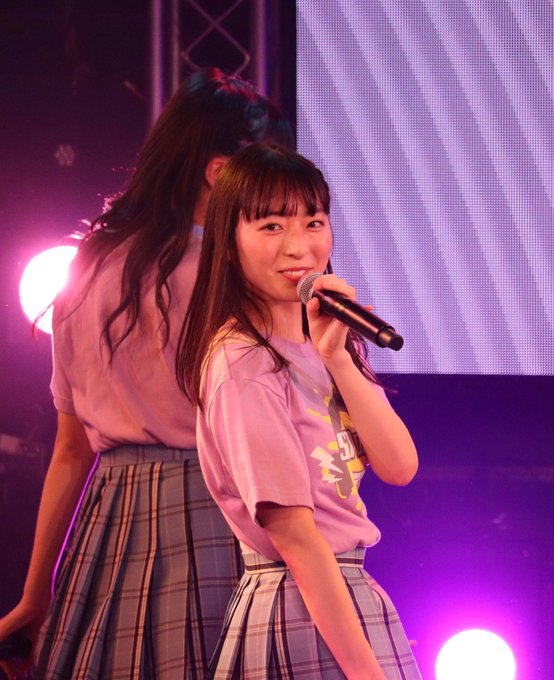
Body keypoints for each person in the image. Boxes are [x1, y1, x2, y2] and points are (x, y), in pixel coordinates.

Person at [0, 69, 293, 679]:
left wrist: (34, 595)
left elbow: (70, 452)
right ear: (219, 171)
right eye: (264, 169)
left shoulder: (85, 269)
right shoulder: (235, 271)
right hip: (222, 509)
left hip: (110, 524)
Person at [177, 143, 422, 679]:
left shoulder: (325, 345)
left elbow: (399, 465)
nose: (299, 247)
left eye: (313, 223)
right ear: (228, 242)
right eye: (271, 226)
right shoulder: (243, 363)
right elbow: (295, 537)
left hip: (346, 593)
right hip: (300, 601)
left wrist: (337, 357)